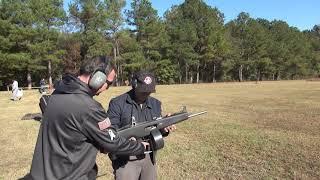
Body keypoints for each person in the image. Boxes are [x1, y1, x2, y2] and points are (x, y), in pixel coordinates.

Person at [24, 56, 148, 180]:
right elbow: (112, 142)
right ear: (98, 78)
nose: (107, 88)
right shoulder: (89, 107)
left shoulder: (58, 93)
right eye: (108, 83)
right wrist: (140, 146)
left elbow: (72, 133)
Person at [107, 70, 176, 180]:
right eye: (143, 91)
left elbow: (154, 130)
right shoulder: (117, 103)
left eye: (149, 91)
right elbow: (111, 132)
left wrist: (164, 129)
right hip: (126, 158)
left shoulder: (155, 104)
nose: (146, 94)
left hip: (149, 156)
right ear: (134, 85)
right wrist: (129, 141)